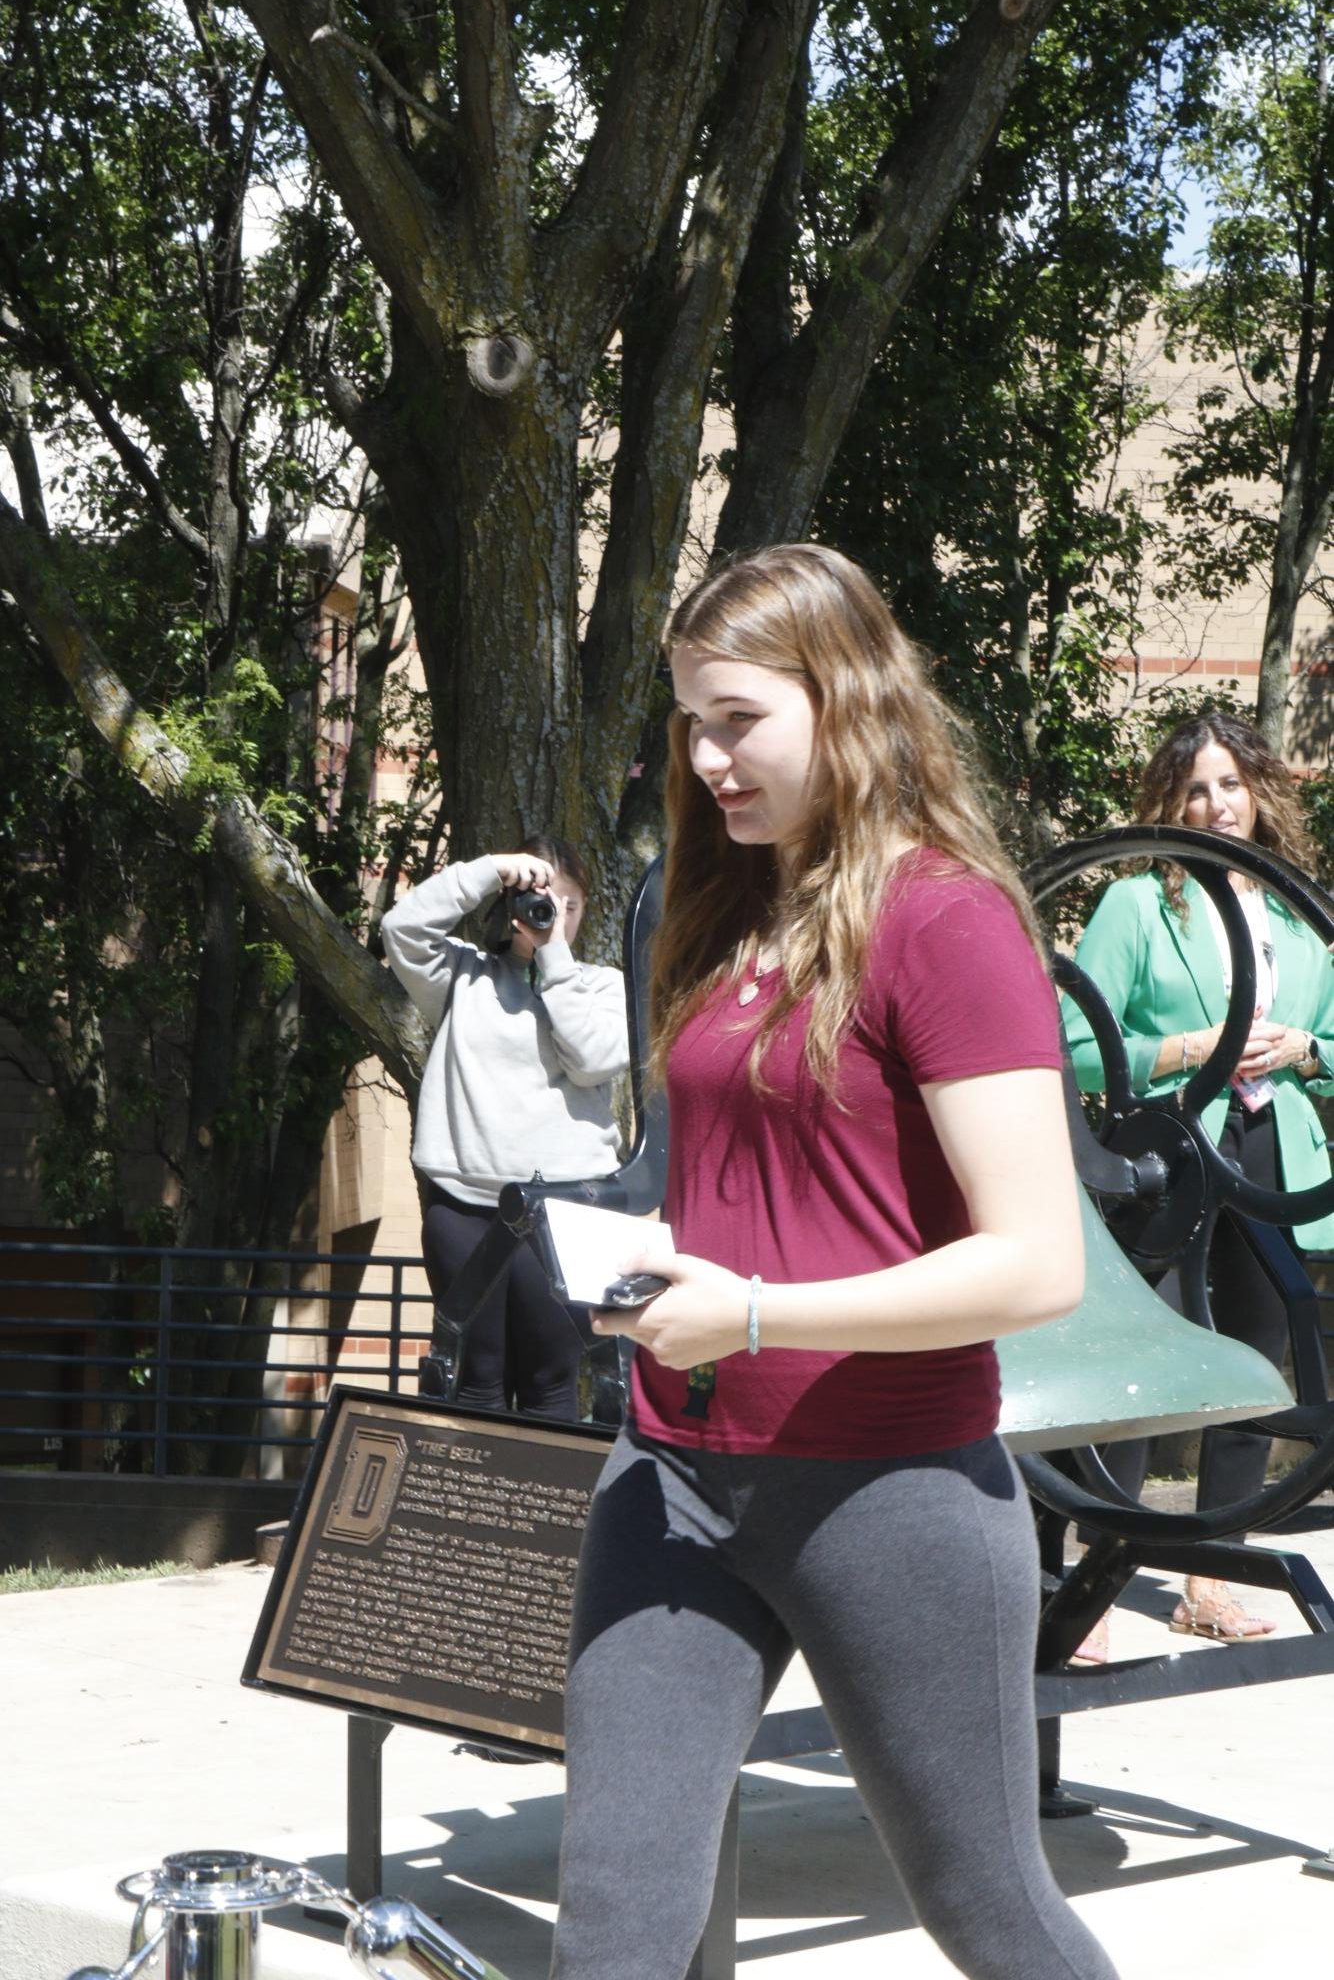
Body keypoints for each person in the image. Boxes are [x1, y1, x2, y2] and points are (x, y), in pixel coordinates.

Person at [548, 546, 1119, 1980]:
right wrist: (658, 1271)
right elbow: (772, 1184)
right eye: (686, 719)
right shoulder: (731, 909)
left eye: (736, 717)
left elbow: (1038, 1264)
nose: (703, 755)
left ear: (844, 697)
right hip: (669, 1478)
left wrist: (751, 1311)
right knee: (615, 1927)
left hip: (894, 1493)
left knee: (987, 1908)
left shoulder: (945, 920)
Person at [1062, 712, 1334, 1652]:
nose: (1216, 805)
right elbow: (1065, 1040)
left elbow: (1333, 1047)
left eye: (1231, 785)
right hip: (1170, 1157)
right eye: (1196, 789)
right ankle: (1092, 1580)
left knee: (1255, 1364)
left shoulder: (1298, 913)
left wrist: (1303, 1049)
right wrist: (1191, 1051)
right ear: (1168, 802)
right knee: (1143, 1369)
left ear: (1259, 793)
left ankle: (1210, 1578)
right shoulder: (1139, 904)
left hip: (1269, 1156)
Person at [381, 838, 630, 1420]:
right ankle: (474, 1511)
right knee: (474, 1379)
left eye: (567, 906)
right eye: (538, 902)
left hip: (571, 1209)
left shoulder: (602, 986)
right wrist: (487, 870)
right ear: (510, 906)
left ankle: (546, 1514)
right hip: (466, 1206)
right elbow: (401, 930)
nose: (552, 917)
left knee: (552, 1379)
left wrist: (554, 960)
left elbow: (592, 1058)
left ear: (584, 911)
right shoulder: (463, 975)